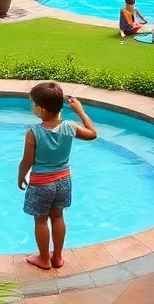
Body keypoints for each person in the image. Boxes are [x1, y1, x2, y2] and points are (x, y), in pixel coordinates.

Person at [17, 82, 97, 271]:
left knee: (41, 220)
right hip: (63, 180)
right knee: (58, 217)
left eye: (32, 103)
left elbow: (26, 161)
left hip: (41, 183)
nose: (32, 106)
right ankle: (58, 257)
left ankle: (44, 259)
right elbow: (93, 134)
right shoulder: (70, 127)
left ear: (41, 109)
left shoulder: (33, 132)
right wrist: (80, 111)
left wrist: (21, 177)